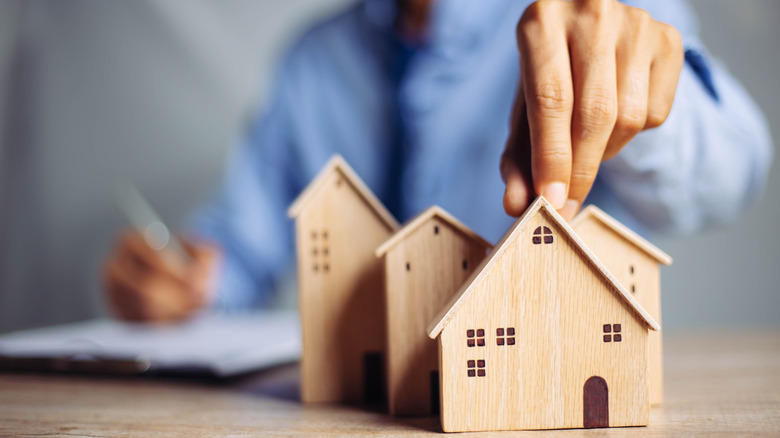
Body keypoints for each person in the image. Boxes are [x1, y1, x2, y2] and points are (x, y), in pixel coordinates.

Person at [103, 0, 772, 321]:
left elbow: (736, 169)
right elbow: (237, 254)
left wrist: (643, 110)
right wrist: (187, 280)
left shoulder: (595, 15)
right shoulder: (313, 62)